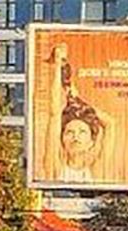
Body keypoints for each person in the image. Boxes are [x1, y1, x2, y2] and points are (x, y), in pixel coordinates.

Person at [46, 44, 114, 183]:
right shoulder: (55, 168)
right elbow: (54, 114)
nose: (75, 137)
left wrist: (78, 99)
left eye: (82, 132)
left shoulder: (97, 171)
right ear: (62, 139)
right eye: (69, 132)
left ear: (91, 142)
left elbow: (110, 123)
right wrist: (58, 65)